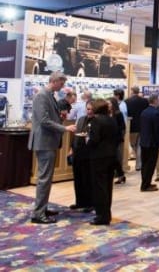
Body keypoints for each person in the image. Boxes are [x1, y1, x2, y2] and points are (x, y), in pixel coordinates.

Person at [28, 71, 77, 224]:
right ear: (54, 81)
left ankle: (42, 209)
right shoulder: (42, 95)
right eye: (61, 84)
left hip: (48, 142)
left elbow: (48, 118)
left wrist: (59, 118)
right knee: (44, 179)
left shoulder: (49, 95)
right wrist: (65, 128)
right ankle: (38, 214)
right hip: (44, 142)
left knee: (47, 178)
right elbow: (44, 120)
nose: (62, 87)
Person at [87, 98, 119, 225]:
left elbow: (94, 140)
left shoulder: (96, 121)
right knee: (108, 186)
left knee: (99, 187)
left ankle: (102, 215)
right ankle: (106, 214)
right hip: (111, 156)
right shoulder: (112, 120)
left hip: (99, 157)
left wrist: (87, 141)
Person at [69, 101, 94, 212]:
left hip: (88, 154)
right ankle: (79, 202)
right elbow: (75, 135)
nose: (89, 111)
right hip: (77, 152)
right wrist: (71, 148)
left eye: (91, 109)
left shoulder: (96, 121)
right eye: (87, 109)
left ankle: (89, 203)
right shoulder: (81, 119)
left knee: (87, 179)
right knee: (78, 179)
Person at [139, 94, 159, 192]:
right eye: (158, 100)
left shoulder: (144, 112)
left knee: (145, 165)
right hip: (152, 143)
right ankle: (145, 186)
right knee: (150, 165)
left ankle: (145, 183)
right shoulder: (156, 113)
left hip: (144, 142)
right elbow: (157, 130)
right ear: (155, 101)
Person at [125, 86, 149, 171]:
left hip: (132, 127)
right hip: (143, 126)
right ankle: (139, 164)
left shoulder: (127, 101)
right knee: (139, 145)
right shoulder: (145, 101)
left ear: (132, 91)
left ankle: (139, 163)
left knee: (133, 145)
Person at [108, 97, 127, 185]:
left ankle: (120, 175)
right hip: (108, 140)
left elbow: (123, 127)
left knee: (116, 158)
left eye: (109, 103)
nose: (108, 105)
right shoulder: (106, 114)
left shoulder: (118, 114)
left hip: (116, 139)